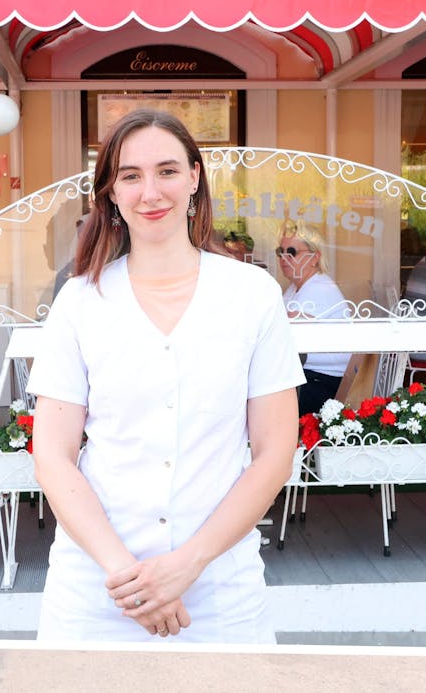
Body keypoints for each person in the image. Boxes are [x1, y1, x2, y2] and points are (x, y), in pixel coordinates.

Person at [30, 109, 302, 644]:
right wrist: (128, 579)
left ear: (195, 177)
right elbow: (52, 455)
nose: (149, 191)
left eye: (167, 171)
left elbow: (275, 451)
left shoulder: (252, 295)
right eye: (130, 176)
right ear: (109, 192)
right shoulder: (79, 301)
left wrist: (186, 564)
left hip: (220, 592)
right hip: (97, 592)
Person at [276, 227, 351, 417]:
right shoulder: (296, 287)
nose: (284, 258)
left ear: (315, 256)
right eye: (280, 252)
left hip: (322, 383)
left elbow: (285, 335)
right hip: (308, 376)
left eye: (292, 252)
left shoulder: (318, 289)